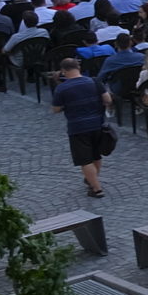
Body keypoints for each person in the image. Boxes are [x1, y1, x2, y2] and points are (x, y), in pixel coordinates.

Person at [41, 56, 111, 193]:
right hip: (97, 123)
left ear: (63, 71)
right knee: (96, 155)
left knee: (85, 159)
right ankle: (92, 178)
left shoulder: (62, 88)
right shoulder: (94, 81)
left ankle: (96, 188)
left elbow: (55, 109)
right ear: (78, 68)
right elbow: (107, 100)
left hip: (78, 127)